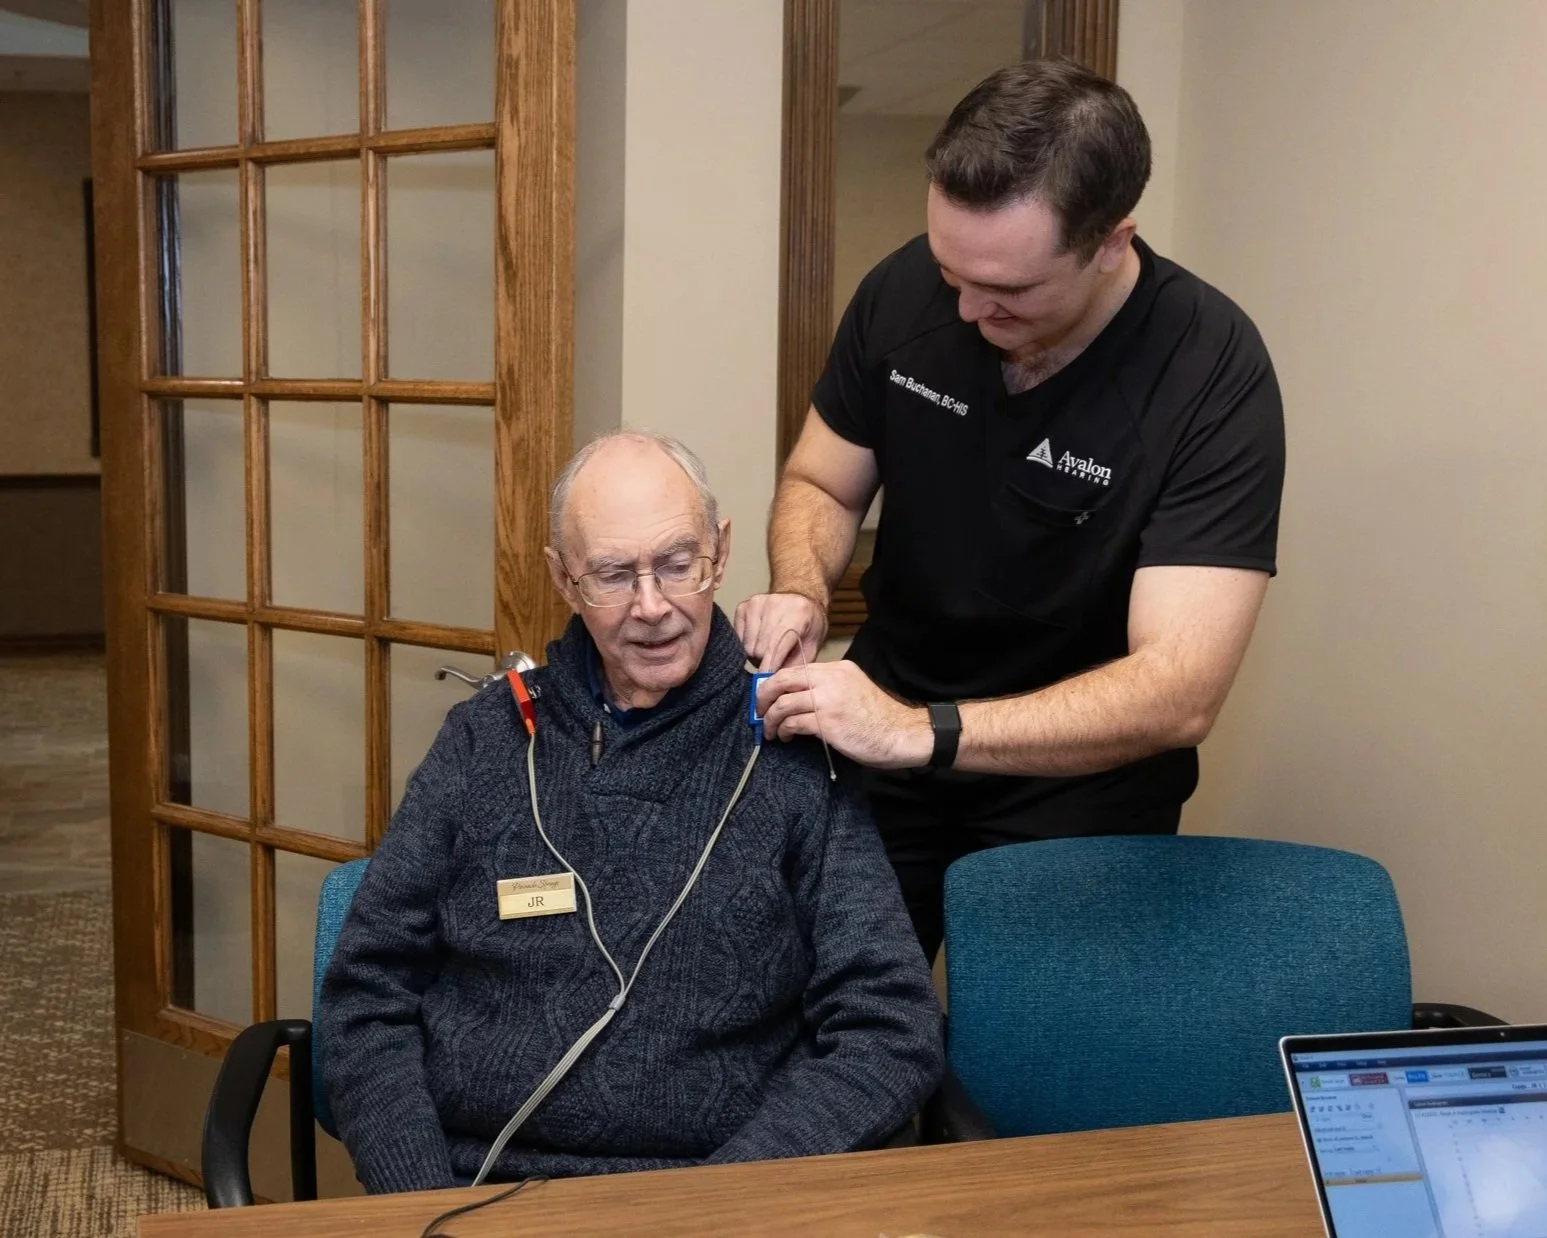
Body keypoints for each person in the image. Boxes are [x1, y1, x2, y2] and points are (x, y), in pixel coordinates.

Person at [738, 58, 1285, 960]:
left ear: (1112, 239)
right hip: (885, 737)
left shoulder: (1210, 371)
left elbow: (1178, 691)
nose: (964, 306)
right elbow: (821, 483)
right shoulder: (909, 290)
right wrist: (799, 587)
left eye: (1010, 291)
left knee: (1039, 1073)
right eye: (951, 269)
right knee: (831, 1028)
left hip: (1075, 785)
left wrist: (921, 733)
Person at [317, 430, 943, 1194]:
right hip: (473, 1188)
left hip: (716, 1196)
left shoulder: (793, 748)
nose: (652, 608)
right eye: (613, 575)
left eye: (678, 565)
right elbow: (365, 1001)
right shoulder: (483, 742)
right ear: (563, 579)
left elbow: (889, 1032)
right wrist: (420, 1201)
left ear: (719, 551)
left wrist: (715, 1203)